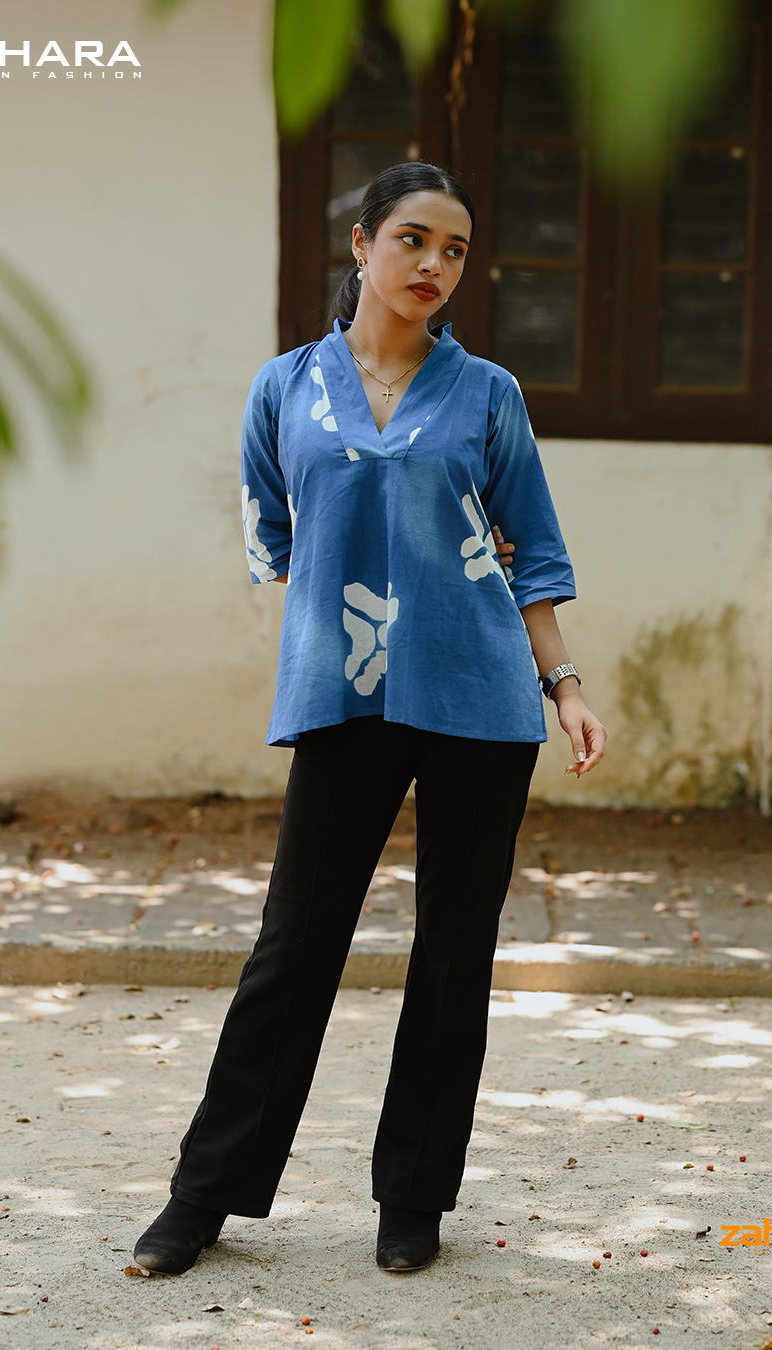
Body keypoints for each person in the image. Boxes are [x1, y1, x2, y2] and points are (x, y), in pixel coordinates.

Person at [134, 161, 606, 1277]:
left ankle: (414, 1202)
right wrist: (334, 633)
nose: (434, 264)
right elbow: (276, 536)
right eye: (413, 240)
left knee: (455, 955)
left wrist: (566, 685)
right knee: (295, 946)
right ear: (360, 246)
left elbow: (531, 550)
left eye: (454, 249)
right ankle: (202, 1198)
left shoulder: (489, 393)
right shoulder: (283, 387)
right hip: (347, 697)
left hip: (481, 700)